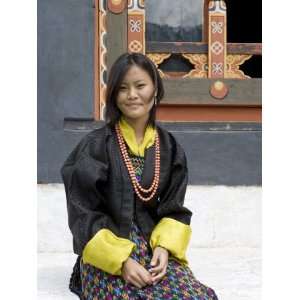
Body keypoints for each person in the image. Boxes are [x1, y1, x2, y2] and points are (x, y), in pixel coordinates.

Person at [61, 52, 219, 299]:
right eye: (123, 88)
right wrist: (122, 262)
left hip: (151, 246)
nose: (132, 95)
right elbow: (83, 213)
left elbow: (173, 207)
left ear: (155, 90)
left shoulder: (169, 147)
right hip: (106, 251)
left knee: (195, 296)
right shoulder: (94, 146)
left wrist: (164, 249)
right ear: (113, 95)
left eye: (140, 85)